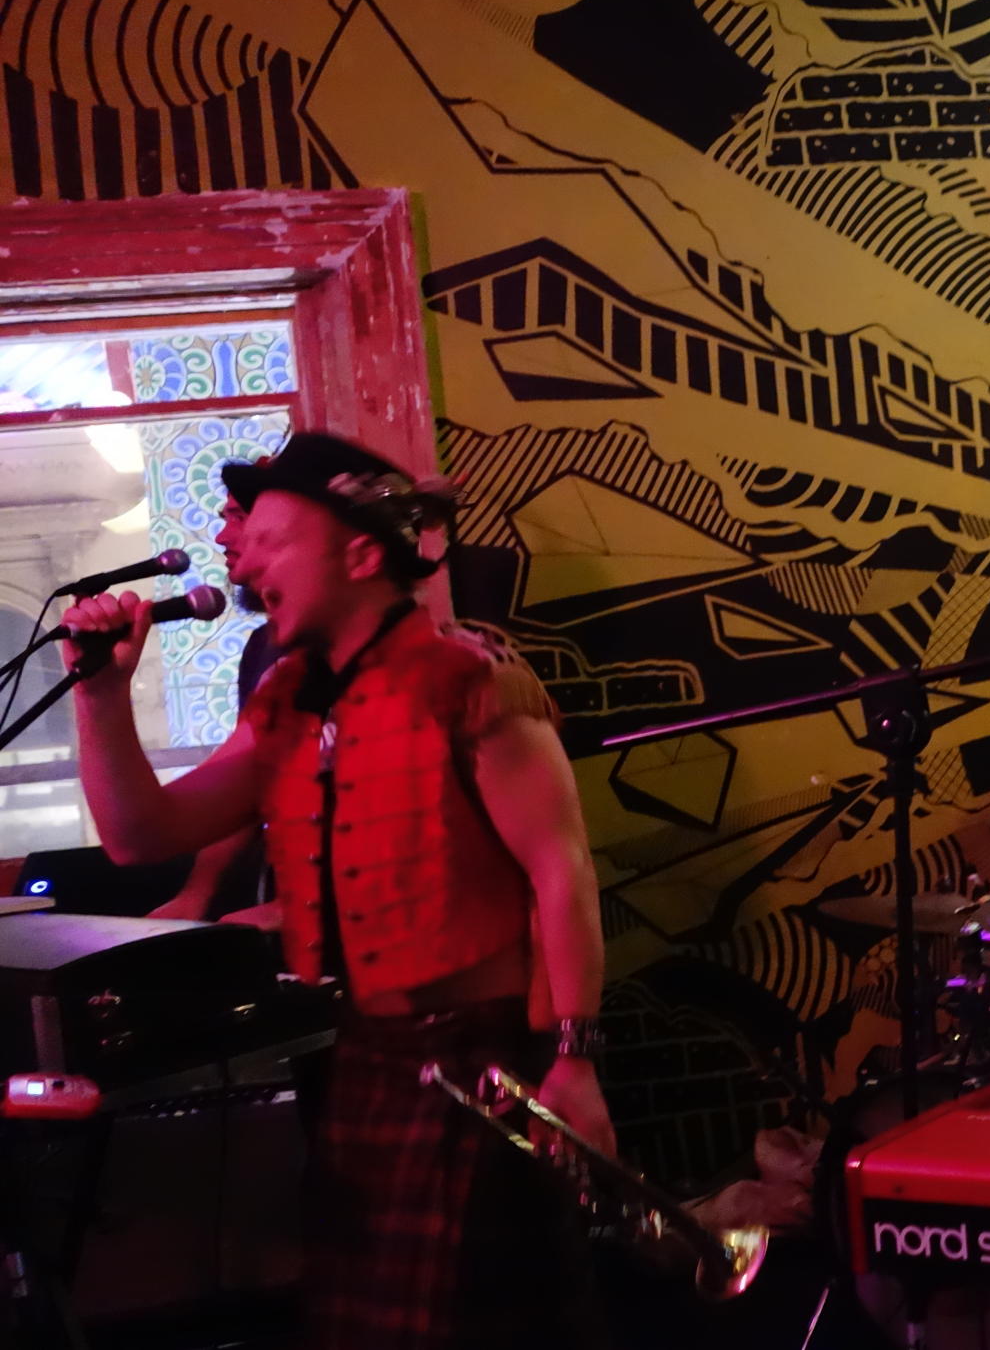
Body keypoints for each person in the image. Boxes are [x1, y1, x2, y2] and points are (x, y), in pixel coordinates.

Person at [62, 432, 612, 1348]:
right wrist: (101, 697)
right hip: (363, 1050)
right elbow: (140, 834)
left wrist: (576, 1059)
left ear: (360, 554)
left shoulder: (469, 678)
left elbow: (563, 870)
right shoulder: (287, 697)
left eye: (274, 542)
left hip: (484, 1059)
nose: (250, 564)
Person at [148, 487, 284, 926]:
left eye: (238, 517)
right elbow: (248, 786)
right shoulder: (265, 647)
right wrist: (197, 894)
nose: (221, 536)